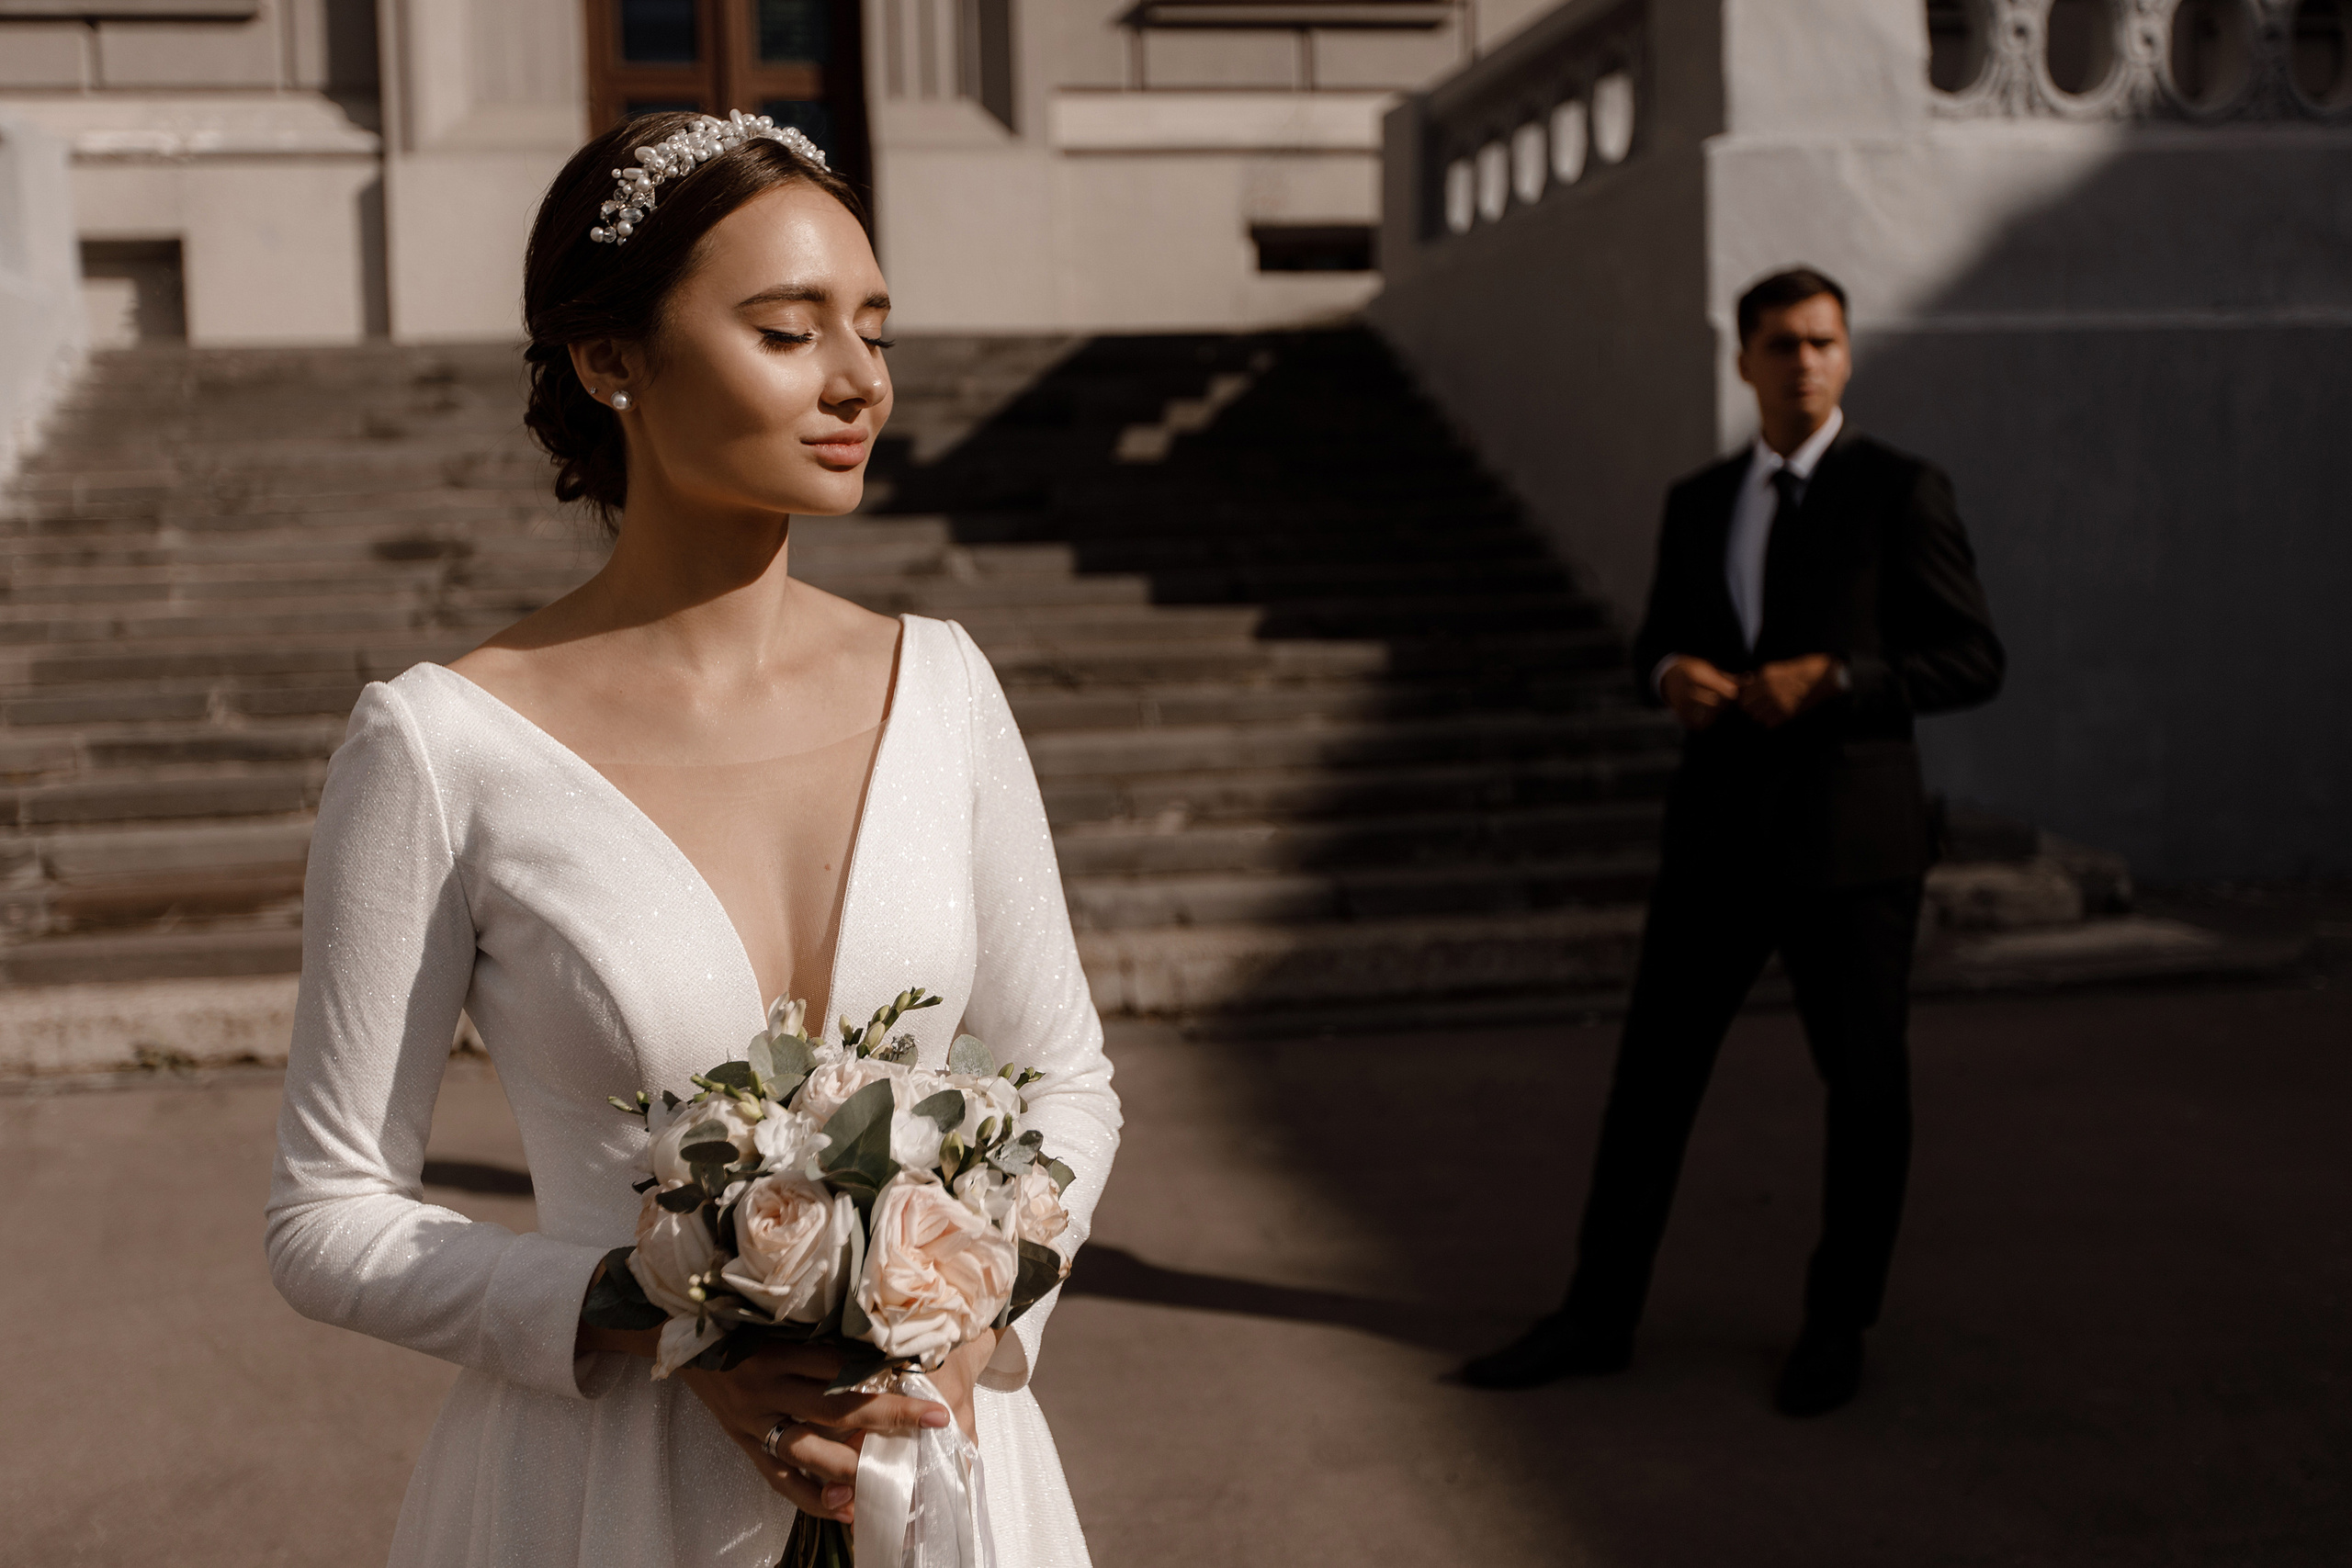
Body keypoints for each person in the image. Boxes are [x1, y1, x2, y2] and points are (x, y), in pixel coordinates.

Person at [266, 112, 1121, 1566]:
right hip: (605, 1487)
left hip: (948, 1465)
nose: (860, 381)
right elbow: (325, 1210)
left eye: (874, 328)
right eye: (789, 332)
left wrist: (975, 1315)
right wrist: (647, 1305)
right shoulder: (442, 746)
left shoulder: (946, 685)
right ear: (612, 363)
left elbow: (1067, 1077)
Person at [1462, 266, 2003, 1416]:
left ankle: (1835, 1326)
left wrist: (1843, 678)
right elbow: (1657, 634)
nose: (1803, 361)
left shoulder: (1902, 491)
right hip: (1716, 837)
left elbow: (1973, 661)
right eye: (1780, 343)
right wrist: (1669, 676)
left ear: (1845, 357)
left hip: (1855, 848)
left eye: (1821, 342)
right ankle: (1596, 1316)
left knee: (1863, 1092)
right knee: (1649, 1087)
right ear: (1743, 361)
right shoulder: (1699, 500)